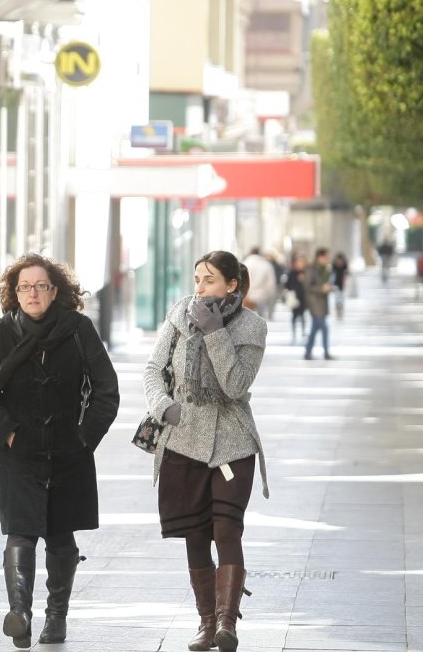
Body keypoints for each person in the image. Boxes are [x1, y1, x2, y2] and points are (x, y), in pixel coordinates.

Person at [0, 254, 120, 648]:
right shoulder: (2, 333)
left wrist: (85, 438)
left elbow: (106, 390)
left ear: (55, 291)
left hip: (68, 451)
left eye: (40, 286)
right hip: (16, 454)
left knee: (60, 535)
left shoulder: (78, 329)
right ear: (14, 293)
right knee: (20, 532)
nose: (32, 293)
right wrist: (9, 435)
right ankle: (19, 613)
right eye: (24, 287)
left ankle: (56, 616)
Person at [143, 250, 269, 652]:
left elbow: (236, 385)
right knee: (195, 534)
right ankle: (206, 622)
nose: (199, 288)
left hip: (232, 441)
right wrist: (163, 407)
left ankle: (227, 625)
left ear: (231, 285)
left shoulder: (252, 326)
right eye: (197, 279)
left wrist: (214, 331)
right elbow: (153, 369)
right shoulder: (179, 313)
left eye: (209, 280)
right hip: (183, 438)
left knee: (226, 529)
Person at [303, 247, 334, 360]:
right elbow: (307, 286)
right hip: (314, 303)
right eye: (326, 257)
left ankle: (308, 352)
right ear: (320, 257)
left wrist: (329, 288)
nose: (327, 259)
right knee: (324, 328)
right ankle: (326, 352)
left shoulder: (325, 269)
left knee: (315, 329)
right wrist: (321, 288)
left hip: (322, 303)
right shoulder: (311, 269)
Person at [242, 247, 277, 320]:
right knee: (261, 319)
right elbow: (271, 283)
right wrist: (270, 296)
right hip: (261, 295)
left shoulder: (245, 264)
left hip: (247, 296)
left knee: (247, 319)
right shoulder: (266, 265)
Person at [283, 254, 307, 343]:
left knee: (302, 315)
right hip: (294, 297)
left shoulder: (306, 272)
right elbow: (287, 285)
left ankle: (303, 332)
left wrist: (304, 280)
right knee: (294, 316)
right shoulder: (291, 273)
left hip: (303, 297)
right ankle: (294, 333)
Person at [331, 251, 349, 320]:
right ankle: (338, 307)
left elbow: (347, 272)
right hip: (336, 283)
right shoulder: (334, 265)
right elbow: (332, 273)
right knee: (337, 296)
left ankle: (340, 307)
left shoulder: (344, 265)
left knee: (341, 296)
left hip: (342, 283)